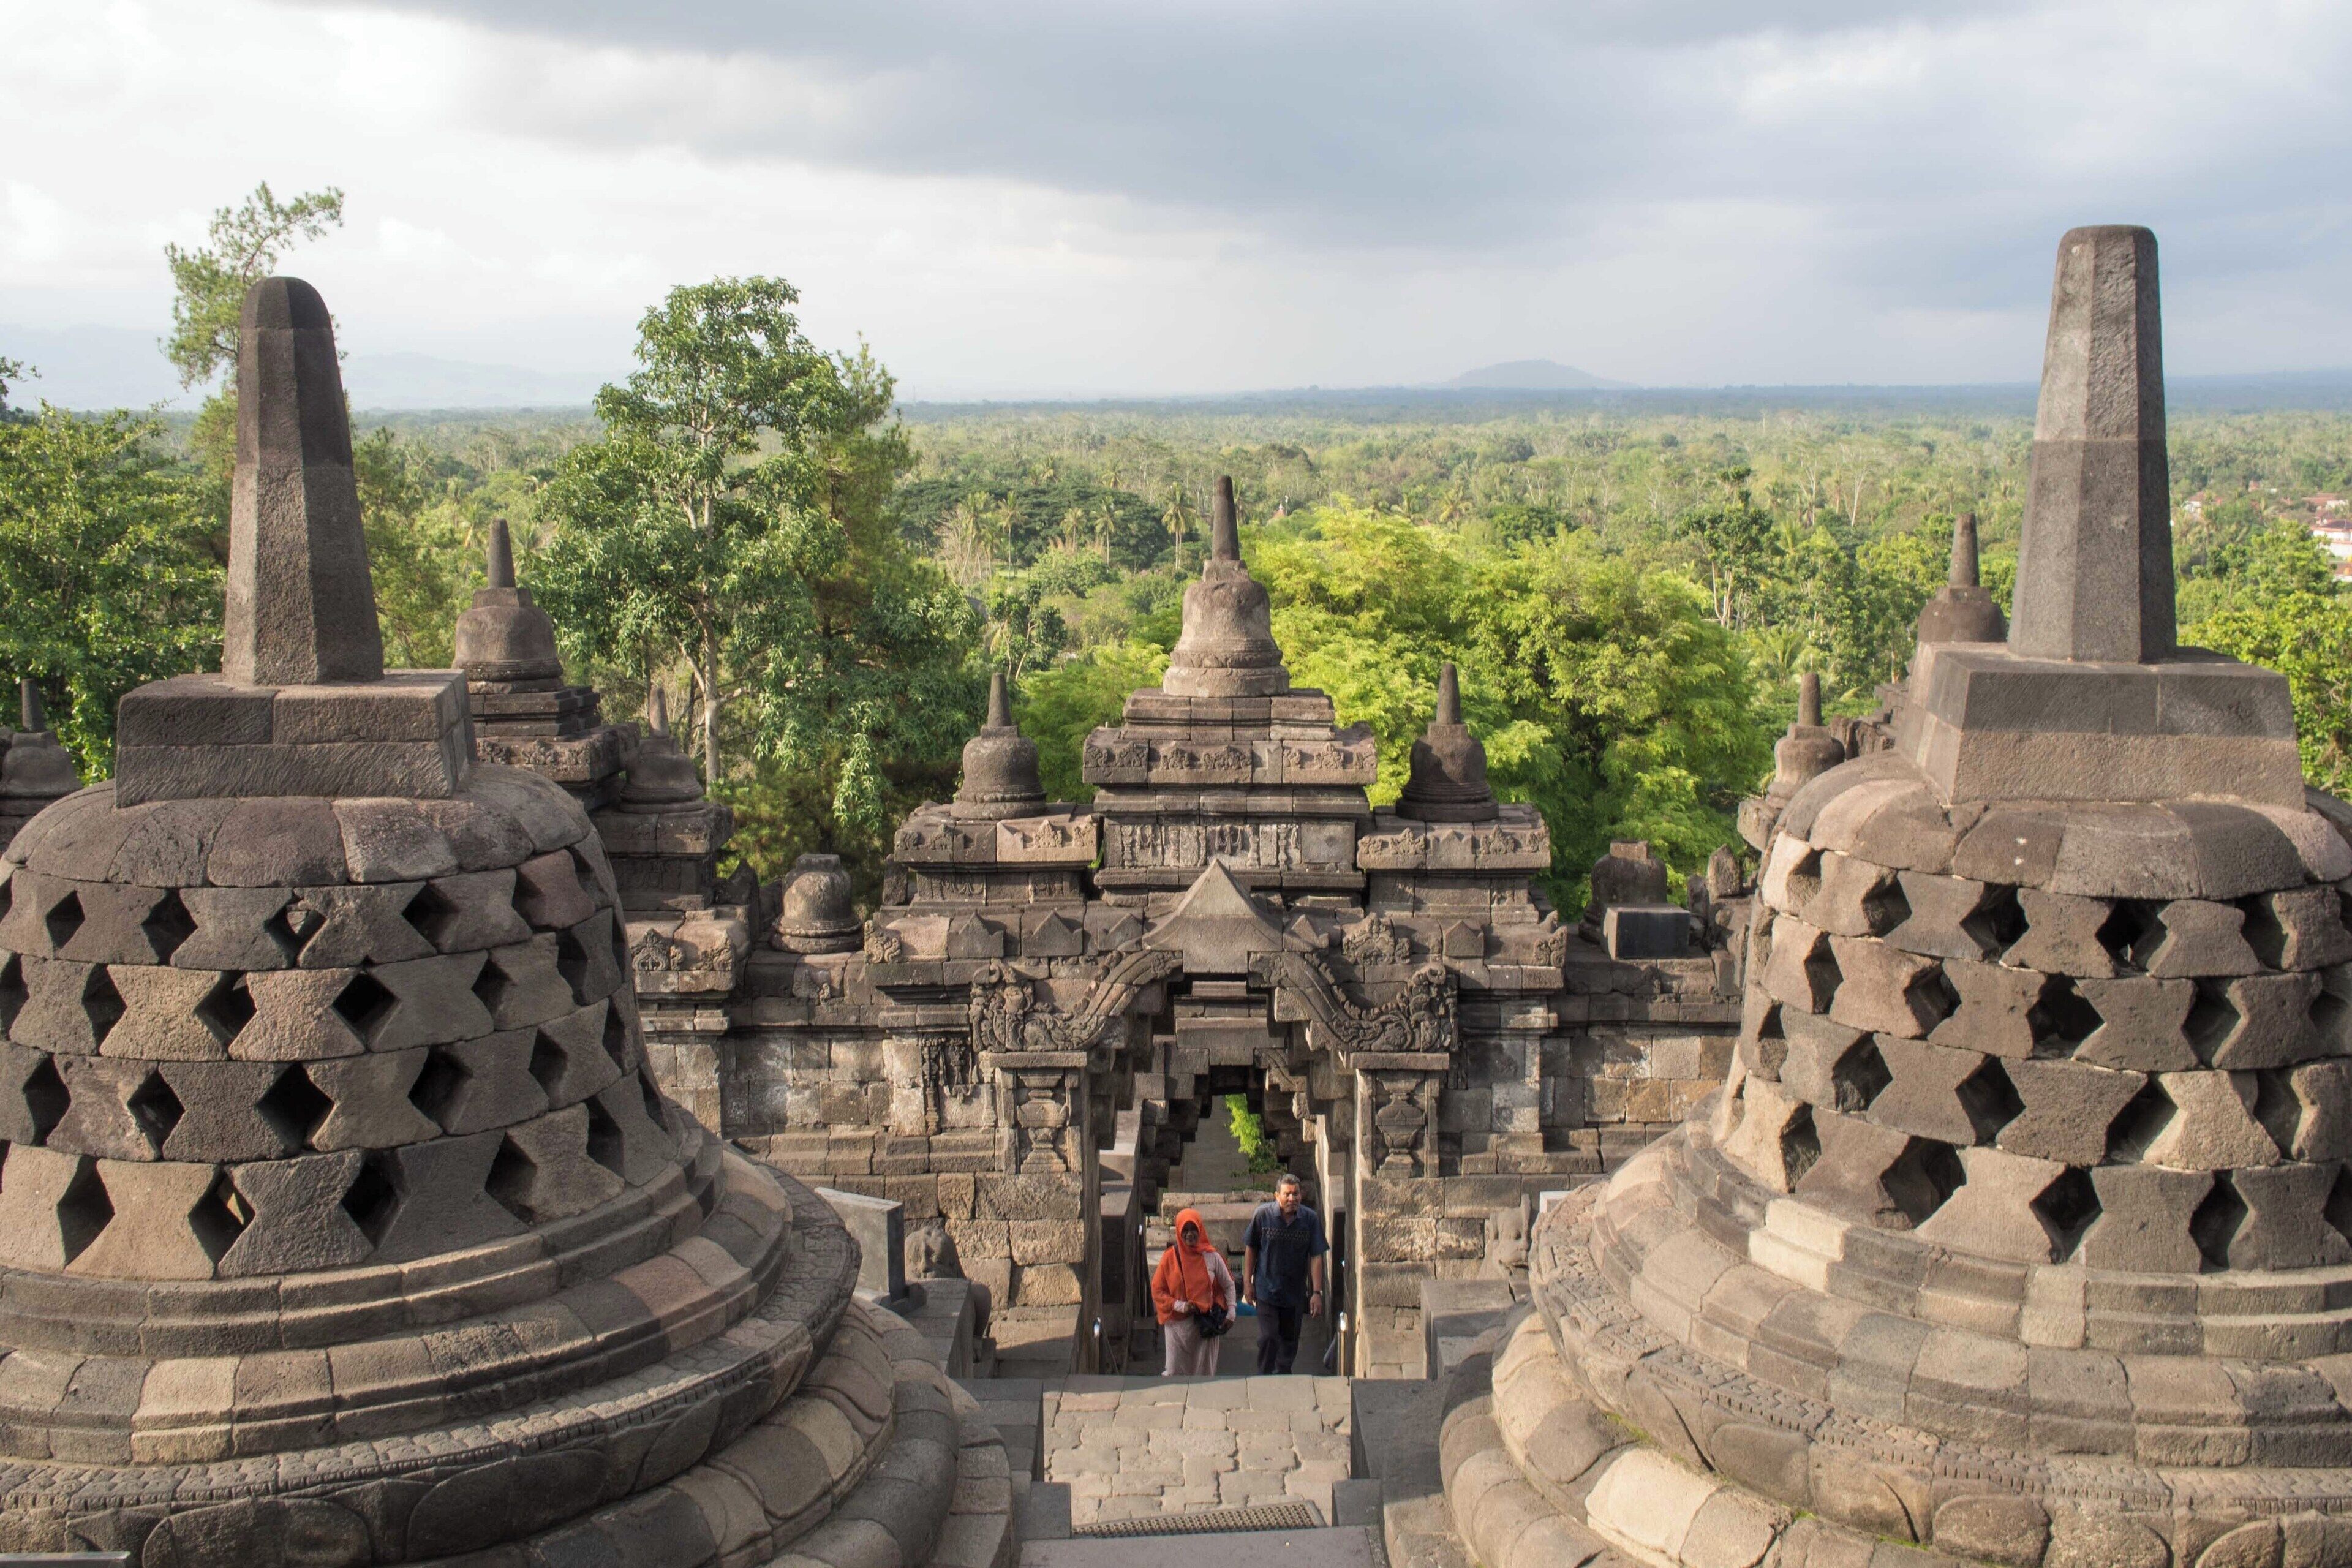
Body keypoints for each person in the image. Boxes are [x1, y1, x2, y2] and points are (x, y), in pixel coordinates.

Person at [1242, 1173, 1327, 1375]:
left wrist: (1317, 1292)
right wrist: (1248, 1283)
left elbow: (1316, 1256)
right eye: (1287, 1194)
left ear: (1301, 1195)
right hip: (1266, 1290)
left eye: (1296, 1194)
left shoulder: (1310, 1219)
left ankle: (1283, 1374)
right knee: (1269, 1337)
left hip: (1295, 1293)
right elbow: (1251, 1248)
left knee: (1289, 1341)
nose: (1292, 1199)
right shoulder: (1262, 1216)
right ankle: (1264, 1373)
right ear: (1277, 1196)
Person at [1152, 1207, 1233, 1378]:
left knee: (1204, 1372)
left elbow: (1228, 1284)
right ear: (1179, 1232)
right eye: (1185, 1230)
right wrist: (1181, 1306)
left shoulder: (1212, 1257)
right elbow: (1158, 1290)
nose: (1190, 1234)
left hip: (1204, 1324)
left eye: (1194, 1229)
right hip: (1177, 1327)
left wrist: (1231, 1312)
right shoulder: (1170, 1258)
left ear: (1200, 1229)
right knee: (1174, 1371)